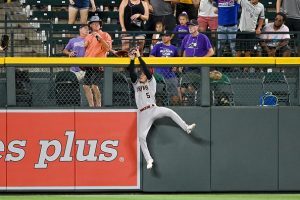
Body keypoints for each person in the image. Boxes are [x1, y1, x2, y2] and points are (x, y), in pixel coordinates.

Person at [128, 47, 196, 169]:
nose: (141, 75)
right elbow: (132, 73)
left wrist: (139, 56)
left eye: (143, 74)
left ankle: (186, 127)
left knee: (169, 112)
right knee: (141, 137)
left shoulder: (151, 81)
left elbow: (146, 70)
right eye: (141, 74)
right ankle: (149, 160)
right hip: (143, 113)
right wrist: (132, 60)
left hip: (154, 109)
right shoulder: (136, 84)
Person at [84, 16, 112, 107]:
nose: (96, 24)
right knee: (85, 86)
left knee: (94, 85)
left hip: (99, 63)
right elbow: (85, 47)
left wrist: (100, 38)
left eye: (97, 23)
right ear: (90, 25)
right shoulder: (88, 36)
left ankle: (98, 106)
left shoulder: (105, 35)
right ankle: (91, 106)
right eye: (93, 23)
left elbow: (108, 48)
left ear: (100, 25)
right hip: (89, 63)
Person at [150, 31, 182, 105]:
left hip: (170, 75)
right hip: (159, 75)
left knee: (175, 96)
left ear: (170, 37)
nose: (164, 37)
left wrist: (175, 66)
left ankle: (175, 109)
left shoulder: (174, 48)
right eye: (163, 36)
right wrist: (159, 59)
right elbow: (151, 57)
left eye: (166, 36)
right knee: (158, 96)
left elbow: (177, 61)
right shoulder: (157, 46)